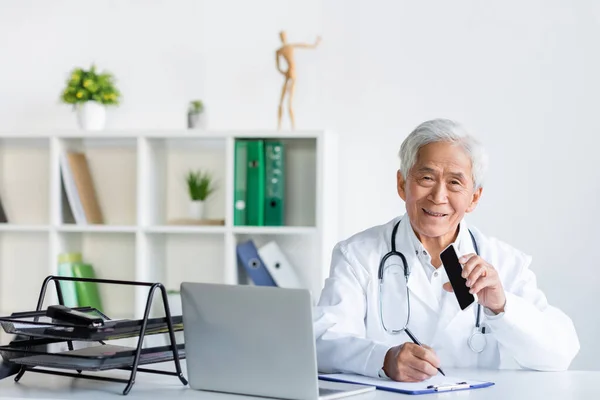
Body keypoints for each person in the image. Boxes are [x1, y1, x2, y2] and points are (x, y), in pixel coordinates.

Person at [313, 119, 580, 382]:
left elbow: (559, 355)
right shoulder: (357, 255)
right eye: (426, 178)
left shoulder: (505, 261)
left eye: (454, 182)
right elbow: (322, 342)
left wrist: (501, 306)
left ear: (474, 197)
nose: (438, 196)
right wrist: (383, 359)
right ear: (402, 184)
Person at [275, 31, 321, 130]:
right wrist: (283, 72)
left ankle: (293, 126)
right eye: (281, 36)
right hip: (288, 74)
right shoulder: (279, 51)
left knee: (289, 102)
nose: (283, 37)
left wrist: (315, 44)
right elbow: (278, 67)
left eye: (284, 35)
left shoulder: (289, 47)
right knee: (281, 102)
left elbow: (305, 46)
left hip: (292, 75)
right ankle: (280, 126)